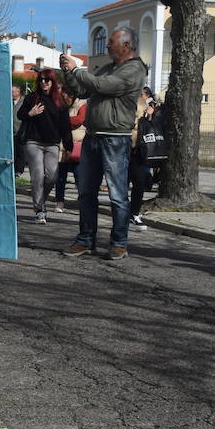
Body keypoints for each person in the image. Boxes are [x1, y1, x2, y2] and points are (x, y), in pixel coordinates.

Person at [59, 28, 148, 260]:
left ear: (126, 46)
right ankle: (85, 240)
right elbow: (81, 89)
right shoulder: (108, 68)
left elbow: (103, 86)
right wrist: (68, 72)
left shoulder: (134, 69)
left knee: (118, 195)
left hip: (115, 139)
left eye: (110, 42)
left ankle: (119, 243)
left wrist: (77, 69)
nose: (106, 45)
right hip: (93, 136)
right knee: (86, 192)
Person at [16, 69, 73, 224]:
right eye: (41, 80)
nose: (43, 82)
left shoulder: (60, 101)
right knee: (38, 175)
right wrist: (30, 113)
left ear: (53, 82)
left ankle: (40, 200)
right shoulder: (31, 98)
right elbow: (19, 114)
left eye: (47, 80)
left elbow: (65, 126)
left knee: (52, 176)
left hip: (53, 144)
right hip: (33, 142)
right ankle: (40, 210)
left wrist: (68, 146)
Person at [129, 88, 168, 229]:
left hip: (139, 151)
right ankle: (124, 214)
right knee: (121, 186)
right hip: (123, 149)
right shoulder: (127, 104)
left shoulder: (144, 105)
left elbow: (151, 127)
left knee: (139, 184)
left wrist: (149, 117)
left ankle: (134, 213)